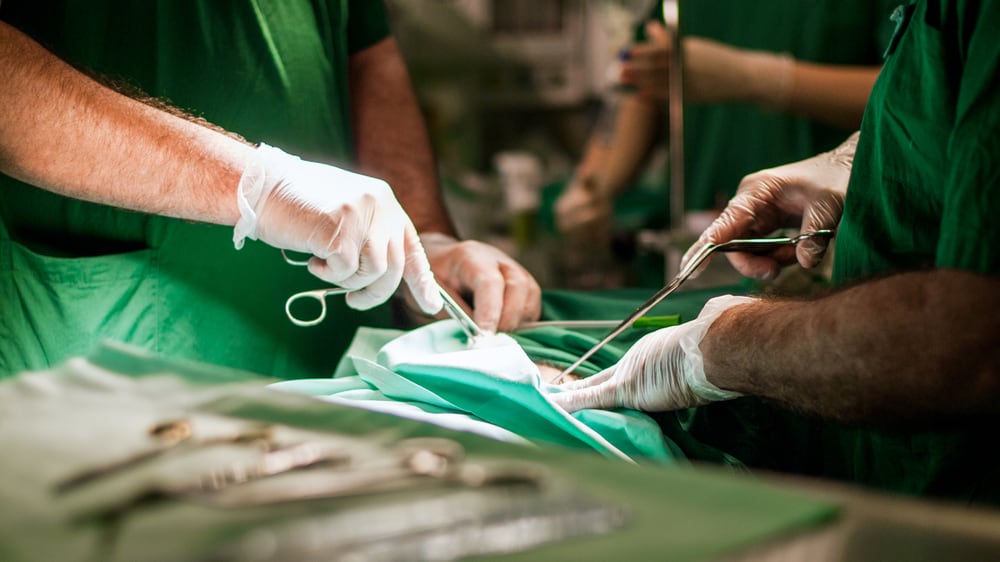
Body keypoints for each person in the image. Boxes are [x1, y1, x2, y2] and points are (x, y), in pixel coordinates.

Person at [554, 0, 1000, 504]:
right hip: (882, 451)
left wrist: (724, 347)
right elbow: (936, 94)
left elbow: (967, 340)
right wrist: (853, 159)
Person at [0, 1, 540, 379]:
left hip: (334, 361)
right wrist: (259, 187)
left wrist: (425, 241)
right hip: (116, 336)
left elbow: (368, 54)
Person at [554, 1, 895, 286]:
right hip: (699, 251)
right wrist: (594, 191)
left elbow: (919, 94)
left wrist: (761, 78)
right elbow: (643, 86)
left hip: (825, 255)